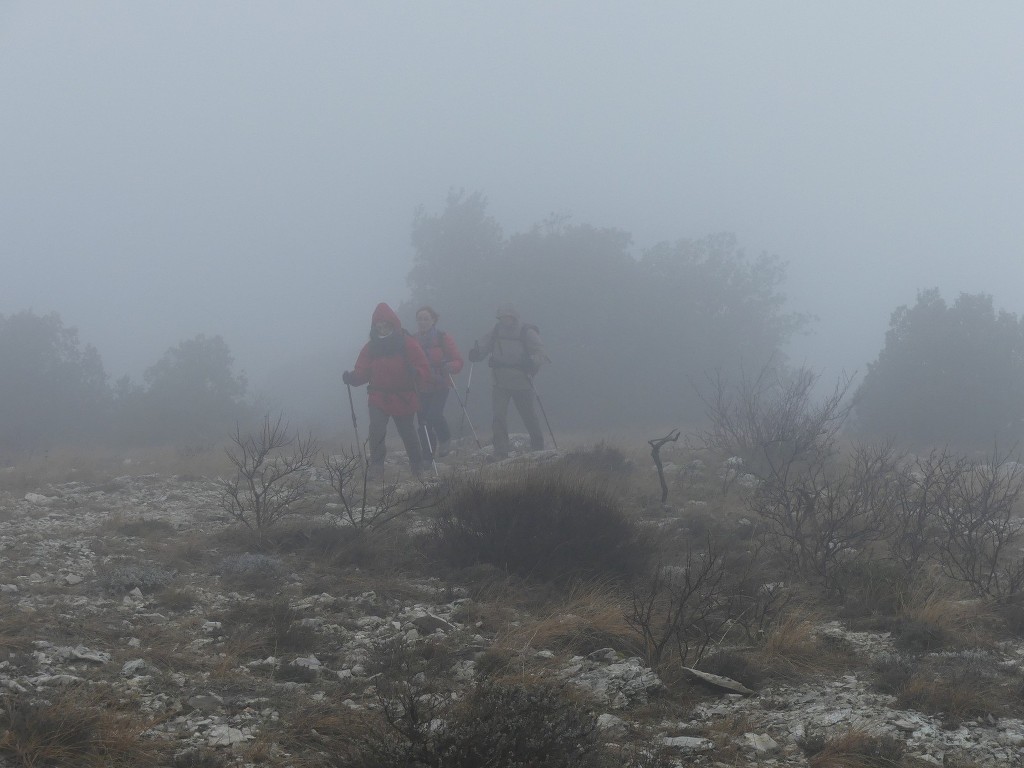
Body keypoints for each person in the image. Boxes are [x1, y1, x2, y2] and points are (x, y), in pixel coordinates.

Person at [342, 302, 430, 477]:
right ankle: (376, 468)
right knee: (376, 431)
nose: (382, 328)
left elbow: (423, 368)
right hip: (378, 396)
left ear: (393, 324)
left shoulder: (407, 343)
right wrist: (352, 378)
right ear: (374, 326)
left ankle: (417, 466)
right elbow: (363, 372)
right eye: (378, 325)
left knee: (407, 432)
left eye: (385, 324)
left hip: (404, 396)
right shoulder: (371, 347)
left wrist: (417, 372)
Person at [467, 303, 549, 459]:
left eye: (508, 316)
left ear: (514, 317)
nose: (505, 319)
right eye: (503, 317)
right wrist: (476, 354)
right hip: (500, 381)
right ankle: (501, 451)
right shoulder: (496, 330)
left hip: (523, 381)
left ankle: (538, 447)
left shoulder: (527, 332)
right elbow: (483, 345)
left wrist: (531, 361)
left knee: (529, 416)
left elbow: (541, 353)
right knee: (499, 416)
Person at [414, 306, 464, 459]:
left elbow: (458, 361)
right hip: (421, 385)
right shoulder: (412, 340)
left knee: (433, 415)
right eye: (420, 319)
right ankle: (428, 457)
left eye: (426, 319)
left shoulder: (443, 338)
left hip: (441, 384)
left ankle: (445, 439)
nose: (422, 322)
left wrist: (450, 366)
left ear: (433, 320)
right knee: (423, 422)